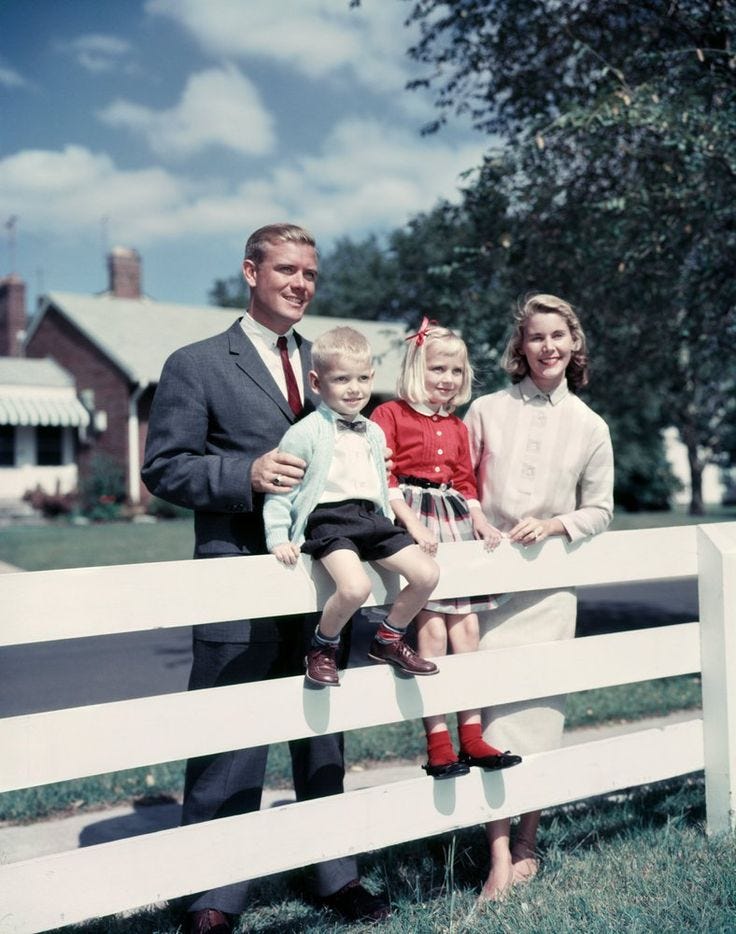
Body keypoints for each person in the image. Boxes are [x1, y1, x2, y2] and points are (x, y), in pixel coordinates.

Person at [141, 224, 391, 933]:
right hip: (237, 578)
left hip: (322, 582)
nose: (301, 283)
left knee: (323, 732)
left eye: (310, 273)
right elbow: (163, 467)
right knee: (229, 736)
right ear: (250, 272)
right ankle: (214, 898)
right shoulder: (196, 363)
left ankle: (335, 877)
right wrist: (243, 475)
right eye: (286, 269)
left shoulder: (331, 363)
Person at [464, 293, 614, 901]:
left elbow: (600, 510)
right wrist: (475, 518)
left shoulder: (590, 425)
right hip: (484, 587)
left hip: (549, 590)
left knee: (539, 715)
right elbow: (457, 482)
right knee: (490, 715)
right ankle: (497, 853)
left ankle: (527, 841)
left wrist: (555, 526)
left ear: (574, 344)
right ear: (519, 347)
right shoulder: (484, 410)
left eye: (559, 335)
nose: (548, 347)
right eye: (536, 337)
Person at [371, 319, 522, 779]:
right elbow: (384, 477)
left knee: (468, 631)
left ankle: (472, 736)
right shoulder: (390, 415)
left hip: (454, 523)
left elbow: (463, 480)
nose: (446, 379)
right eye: (438, 368)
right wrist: (412, 523)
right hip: (413, 521)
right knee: (432, 633)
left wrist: (478, 518)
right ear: (417, 367)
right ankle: (438, 742)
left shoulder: (457, 426)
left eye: (455, 371)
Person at [264, 325, 440, 687]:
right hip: (329, 521)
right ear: (317, 382)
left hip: (370, 519)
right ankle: (322, 646)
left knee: (427, 574)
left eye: (362, 378)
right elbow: (281, 488)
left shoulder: (373, 431)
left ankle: (389, 638)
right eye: (342, 378)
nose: (354, 388)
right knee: (355, 588)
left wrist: (396, 523)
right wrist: (277, 534)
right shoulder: (305, 432)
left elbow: (381, 483)